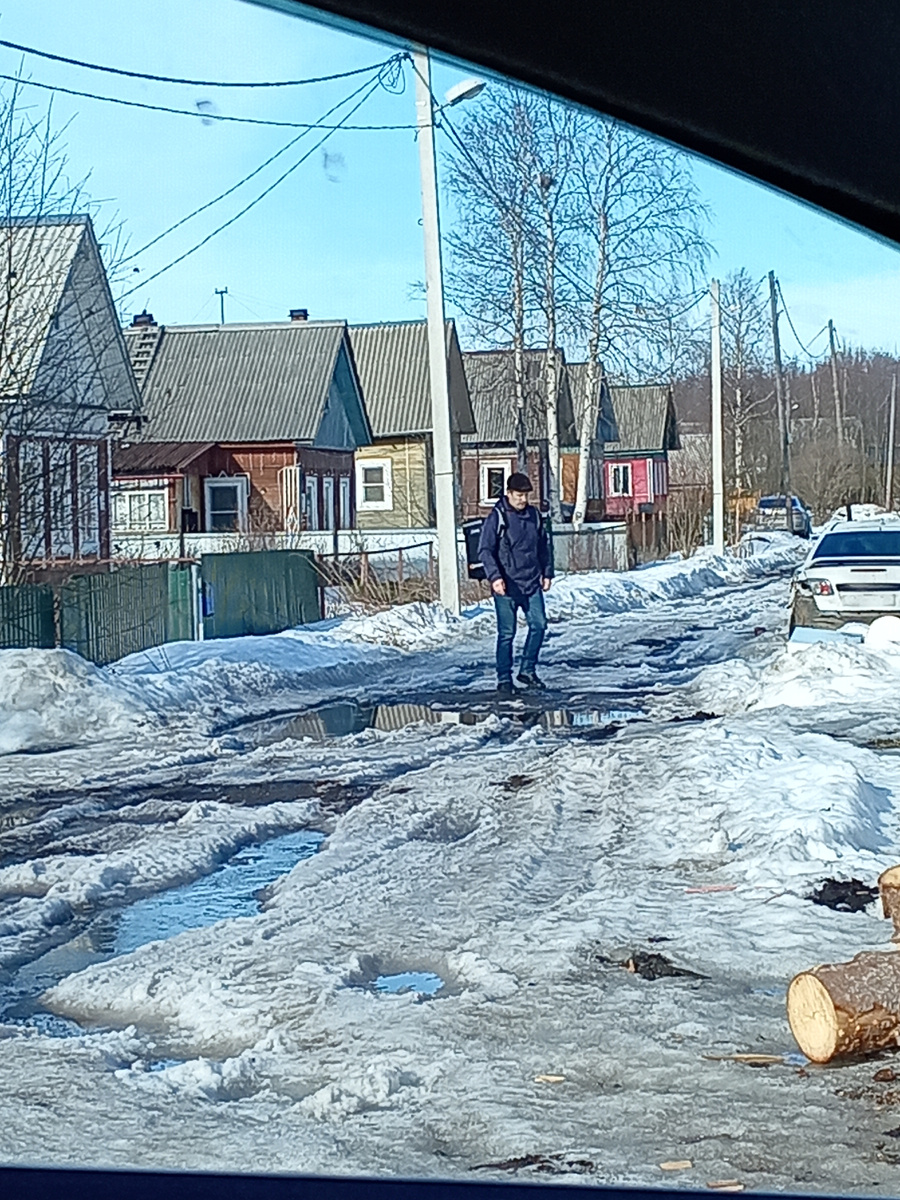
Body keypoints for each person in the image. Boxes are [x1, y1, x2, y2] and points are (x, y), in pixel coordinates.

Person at [477, 472, 553, 694]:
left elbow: (543, 547)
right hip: (506, 586)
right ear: (509, 493)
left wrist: (547, 573)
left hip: (531, 583)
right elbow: (485, 550)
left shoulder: (534, 516)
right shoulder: (497, 518)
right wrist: (495, 577)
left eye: (526, 495)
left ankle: (527, 670)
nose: (523, 499)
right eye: (519, 495)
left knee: (539, 625)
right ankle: (504, 678)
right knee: (507, 634)